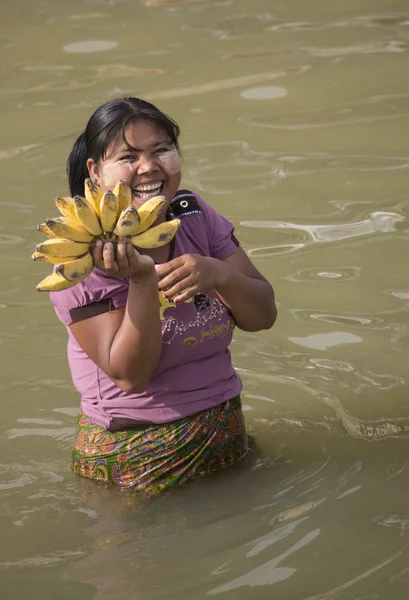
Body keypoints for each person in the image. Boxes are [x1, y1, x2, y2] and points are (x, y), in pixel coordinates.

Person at [50, 97, 277, 494]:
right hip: (135, 461)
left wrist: (219, 273)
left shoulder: (193, 214)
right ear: (96, 171)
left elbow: (263, 315)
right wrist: (141, 283)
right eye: (128, 156)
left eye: (161, 151)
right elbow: (131, 376)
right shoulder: (77, 258)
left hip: (225, 434)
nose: (149, 167)